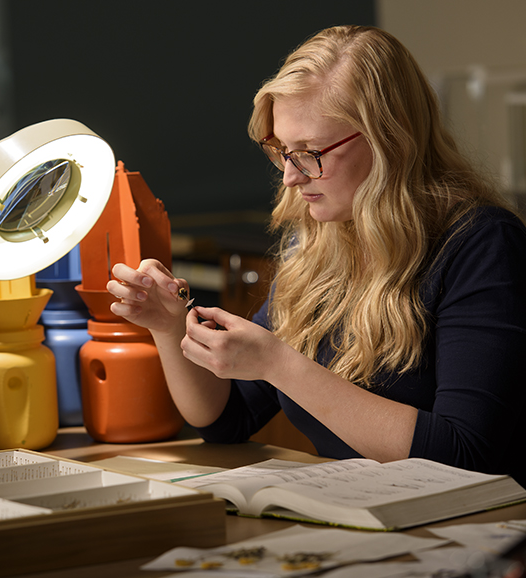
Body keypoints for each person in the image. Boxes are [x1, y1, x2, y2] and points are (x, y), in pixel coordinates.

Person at [108, 25, 526, 487]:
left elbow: (463, 456)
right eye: (281, 152)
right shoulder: (316, 242)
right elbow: (228, 420)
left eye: (309, 153)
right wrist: (168, 327)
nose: (290, 177)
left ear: (390, 139)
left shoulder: (482, 245)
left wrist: (280, 365)